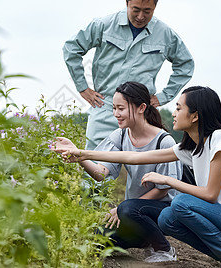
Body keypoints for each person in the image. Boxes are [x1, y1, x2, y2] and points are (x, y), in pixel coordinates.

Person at [56, 86, 221, 268]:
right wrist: (81, 153)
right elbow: (133, 157)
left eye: (179, 108)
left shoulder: (219, 139)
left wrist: (168, 180)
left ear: (195, 115)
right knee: (168, 219)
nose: (173, 112)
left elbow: (210, 194)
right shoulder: (191, 148)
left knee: (180, 202)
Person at [54, 81, 182, 263]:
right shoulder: (121, 135)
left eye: (120, 108)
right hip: (132, 212)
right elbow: (100, 173)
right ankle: (145, 239)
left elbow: (163, 189)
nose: (115, 114)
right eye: (114, 108)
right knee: (98, 240)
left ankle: (164, 248)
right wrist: (79, 156)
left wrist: (121, 209)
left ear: (141, 108)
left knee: (128, 209)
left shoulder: (164, 141)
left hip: (162, 211)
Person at [63, 0, 195, 150]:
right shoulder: (103, 25)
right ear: (127, 2)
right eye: (136, 9)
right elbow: (72, 48)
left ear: (155, 6)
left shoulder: (165, 34)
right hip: (106, 106)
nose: (141, 16)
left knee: (143, 168)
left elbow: (185, 64)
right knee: (95, 165)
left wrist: (163, 97)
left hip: (142, 112)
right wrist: (83, 88)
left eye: (147, 11)